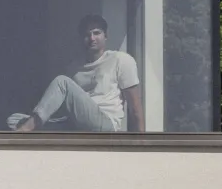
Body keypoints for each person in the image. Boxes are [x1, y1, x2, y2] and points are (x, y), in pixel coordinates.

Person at [9, 14, 144, 133]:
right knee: (14, 119)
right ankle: (29, 126)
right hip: (76, 123)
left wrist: (142, 145)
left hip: (105, 123)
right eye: (87, 35)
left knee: (62, 82)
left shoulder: (120, 59)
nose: (92, 38)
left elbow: (135, 108)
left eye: (97, 33)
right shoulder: (74, 67)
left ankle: (27, 129)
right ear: (81, 38)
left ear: (106, 35)